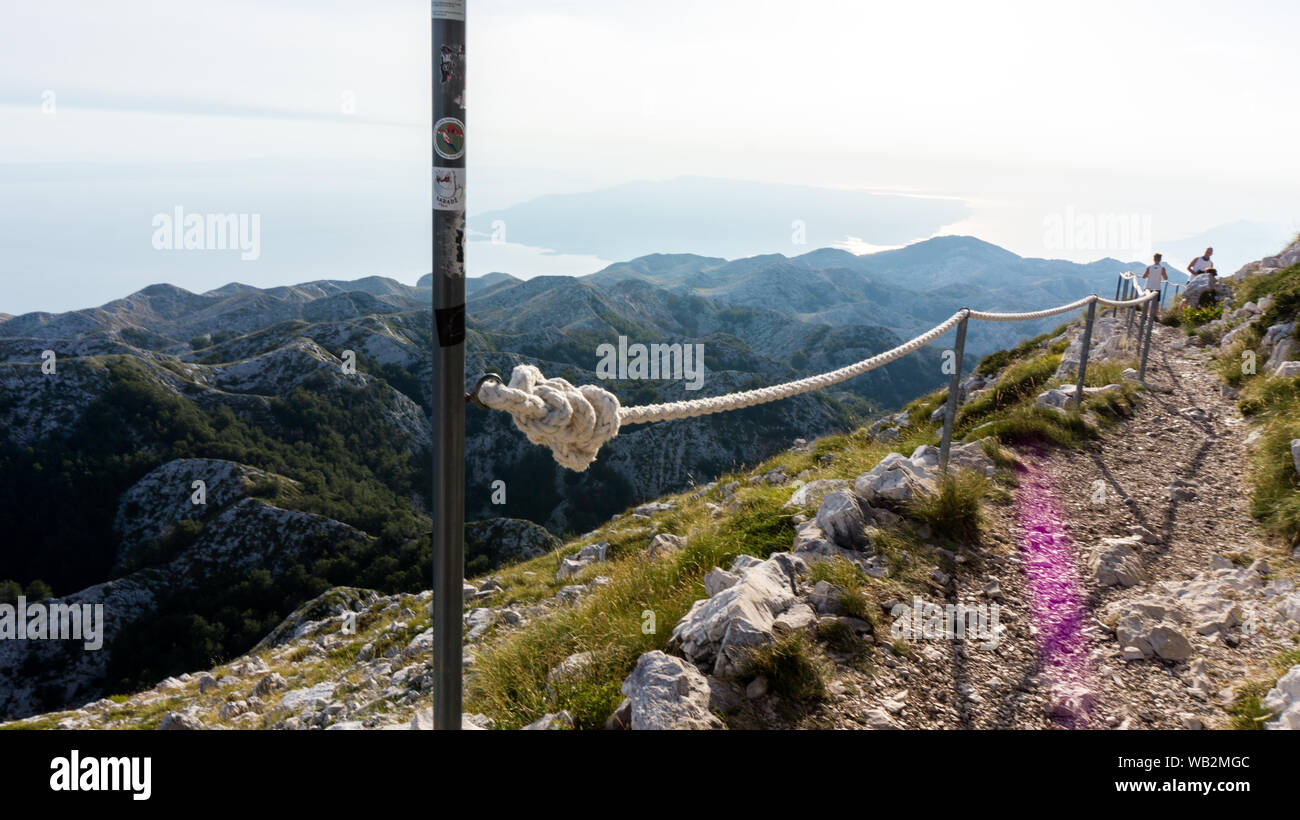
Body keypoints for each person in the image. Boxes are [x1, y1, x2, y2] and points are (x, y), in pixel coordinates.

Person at [1144, 253, 1168, 320]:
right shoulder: (1162, 268)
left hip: (1148, 286)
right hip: (1157, 287)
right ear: (1160, 259)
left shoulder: (1149, 267)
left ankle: (1145, 315)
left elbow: (1144, 276)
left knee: (1147, 301)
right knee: (1156, 302)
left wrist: (1149, 275)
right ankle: (1155, 316)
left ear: (1153, 259)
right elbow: (1166, 278)